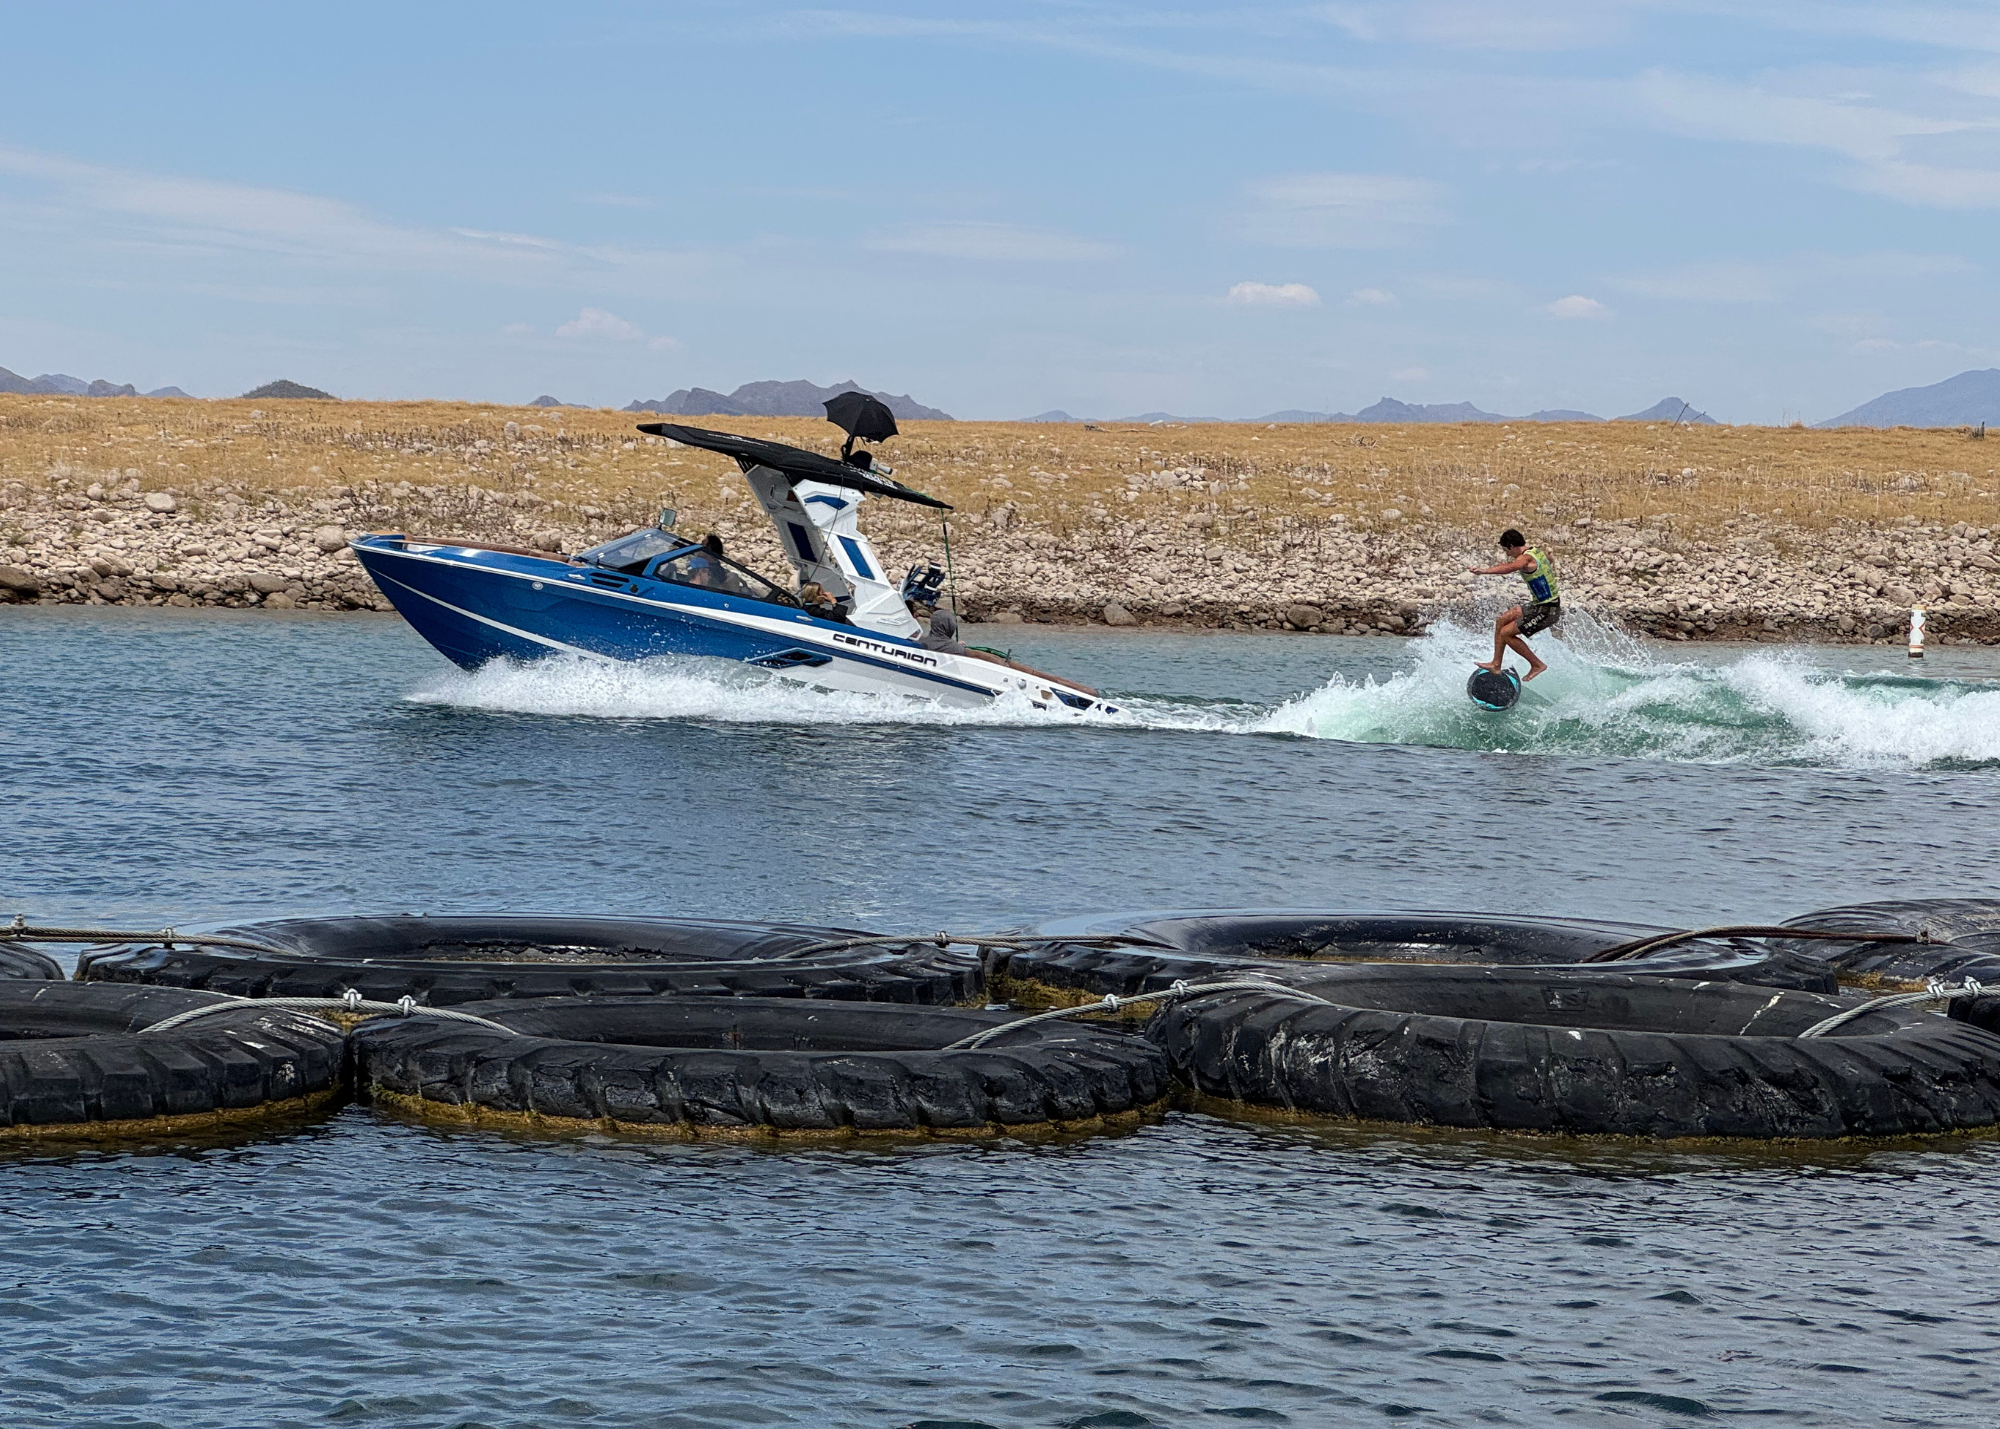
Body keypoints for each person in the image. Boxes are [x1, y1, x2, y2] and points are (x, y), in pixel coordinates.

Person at [1468, 528, 1560, 681]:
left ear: (1511, 545)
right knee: (1502, 620)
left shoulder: (1525, 559)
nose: (1507, 554)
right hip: (1539, 605)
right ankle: (1496, 664)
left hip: (1547, 610)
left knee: (1506, 633)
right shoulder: (1535, 551)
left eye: (1506, 550)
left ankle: (1537, 664)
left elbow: (1510, 567)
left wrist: (1483, 571)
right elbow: (1547, 560)